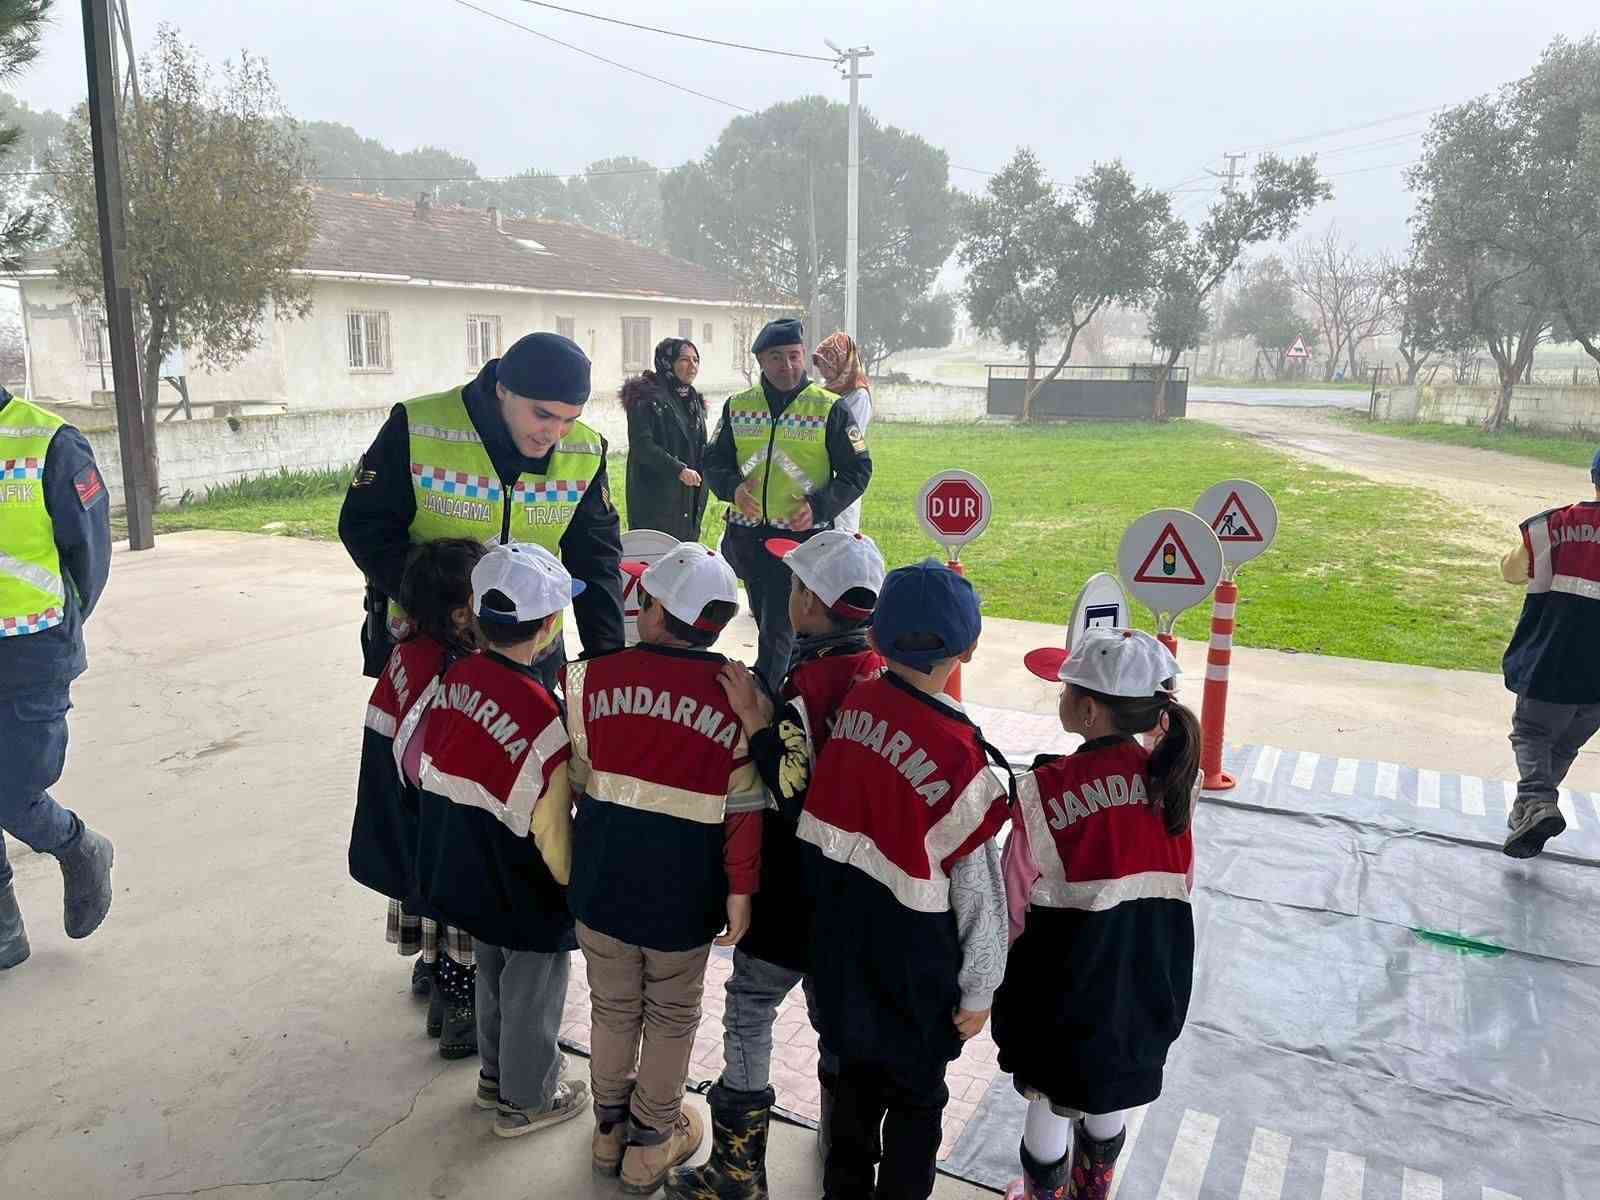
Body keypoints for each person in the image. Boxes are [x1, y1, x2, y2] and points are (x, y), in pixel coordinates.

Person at [666, 530, 888, 1200]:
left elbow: (794, 788)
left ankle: (737, 1168)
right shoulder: (877, 667)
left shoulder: (810, 681)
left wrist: (757, 721)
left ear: (811, 605)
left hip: (797, 886)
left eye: (792, 589)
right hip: (856, 889)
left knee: (752, 1003)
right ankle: (841, 1139)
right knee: (832, 1014)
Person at [799, 561, 1010, 1200]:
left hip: (840, 958)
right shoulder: (961, 756)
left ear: (877, 640)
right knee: (918, 1111)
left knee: (851, 1101)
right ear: (969, 648)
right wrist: (980, 988)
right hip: (916, 983)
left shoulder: (857, 705)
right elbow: (979, 893)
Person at [563, 542, 768, 1196]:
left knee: (614, 1008)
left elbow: (575, 777)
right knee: (672, 1018)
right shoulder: (738, 695)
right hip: (684, 897)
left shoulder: (590, 676)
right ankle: (652, 1144)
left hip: (600, 884)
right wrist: (741, 892)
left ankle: (607, 1130)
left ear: (652, 612)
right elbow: (743, 810)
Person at [993, 627, 1201, 1200]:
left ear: (1086, 710)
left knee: (1048, 1097)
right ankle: (1095, 1189)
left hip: (1062, 985)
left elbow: (1013, 906)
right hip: (1148, 975)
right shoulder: (1177, 783)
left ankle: (1041, 1194)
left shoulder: (1042, 792)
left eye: (1063, 688)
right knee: (1109, 1087)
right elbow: (1183, 880)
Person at [413, 543, 590, 1137]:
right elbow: (552, 828)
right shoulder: (543, 715)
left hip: (462, 864)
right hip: (522, 878)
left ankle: (495, 1077)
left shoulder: (457, 675)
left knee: (491, 970)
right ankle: (529, 1098)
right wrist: (573, 889)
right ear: (546, 630)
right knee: (533, 986)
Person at [338, 330, 624, 696]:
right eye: (543, 415)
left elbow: (596, 562)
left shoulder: (584, 451)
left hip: (532, 651)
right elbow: (364, 526)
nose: (553, 433)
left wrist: (606, 664)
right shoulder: (417, 426)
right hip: (428, 643)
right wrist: (442, 600)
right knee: (422, 752)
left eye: (569, 419)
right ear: (503, 389)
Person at [346, 537, 485, 1054]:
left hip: (405, 810)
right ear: (458, 616)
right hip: (438, 812)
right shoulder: (453, 673)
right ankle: (461, 1017)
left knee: (431, 907)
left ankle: (433, 983)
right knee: (460, 917)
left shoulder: (407, 651)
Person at [0, 388, 114, 972]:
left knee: (13, 787)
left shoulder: (48, 442)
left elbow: (88, 556)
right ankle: (5, 929)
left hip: (31, 650)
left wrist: (61, 625)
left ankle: (77, 845)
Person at [705, 318, 872, 693]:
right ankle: (787, 685)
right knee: (767, 619)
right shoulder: (738, 407)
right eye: (777, 357)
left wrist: (819, 506)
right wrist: (732, 489)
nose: (788, 365)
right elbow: (713, 461)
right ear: (761, 360)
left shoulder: (830, 408)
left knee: (780, 629)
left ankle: (769, 698)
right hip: (747, 539)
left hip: (801, 543)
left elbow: (858, 469)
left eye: (795, 355)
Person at [1499, 448, 1600, 859]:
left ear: (1594, 476)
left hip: (1550, 662)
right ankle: (1530, 812)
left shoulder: (1552, 525)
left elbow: (1510, 571)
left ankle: (1537, 802)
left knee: (1532, 734)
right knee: (1562, 746)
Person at [622, 338, 710, 542]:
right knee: (656, 554)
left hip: (689, 498)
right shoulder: (645, 397)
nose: (692, 366)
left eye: (696, 360)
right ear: (667, 362)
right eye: (684, 360)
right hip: (656, 495)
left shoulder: (692, 399)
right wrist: (678, 469)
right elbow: (642, 445)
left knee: (683, 559)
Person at [810, 333, 874, 535]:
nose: (823, 371)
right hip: (821, 473)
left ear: (842, 363)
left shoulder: (858, 395)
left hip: (842, 474)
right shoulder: (829, 392)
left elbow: (846, 435)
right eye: (820, 365)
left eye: (827, 365)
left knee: (841, 536)